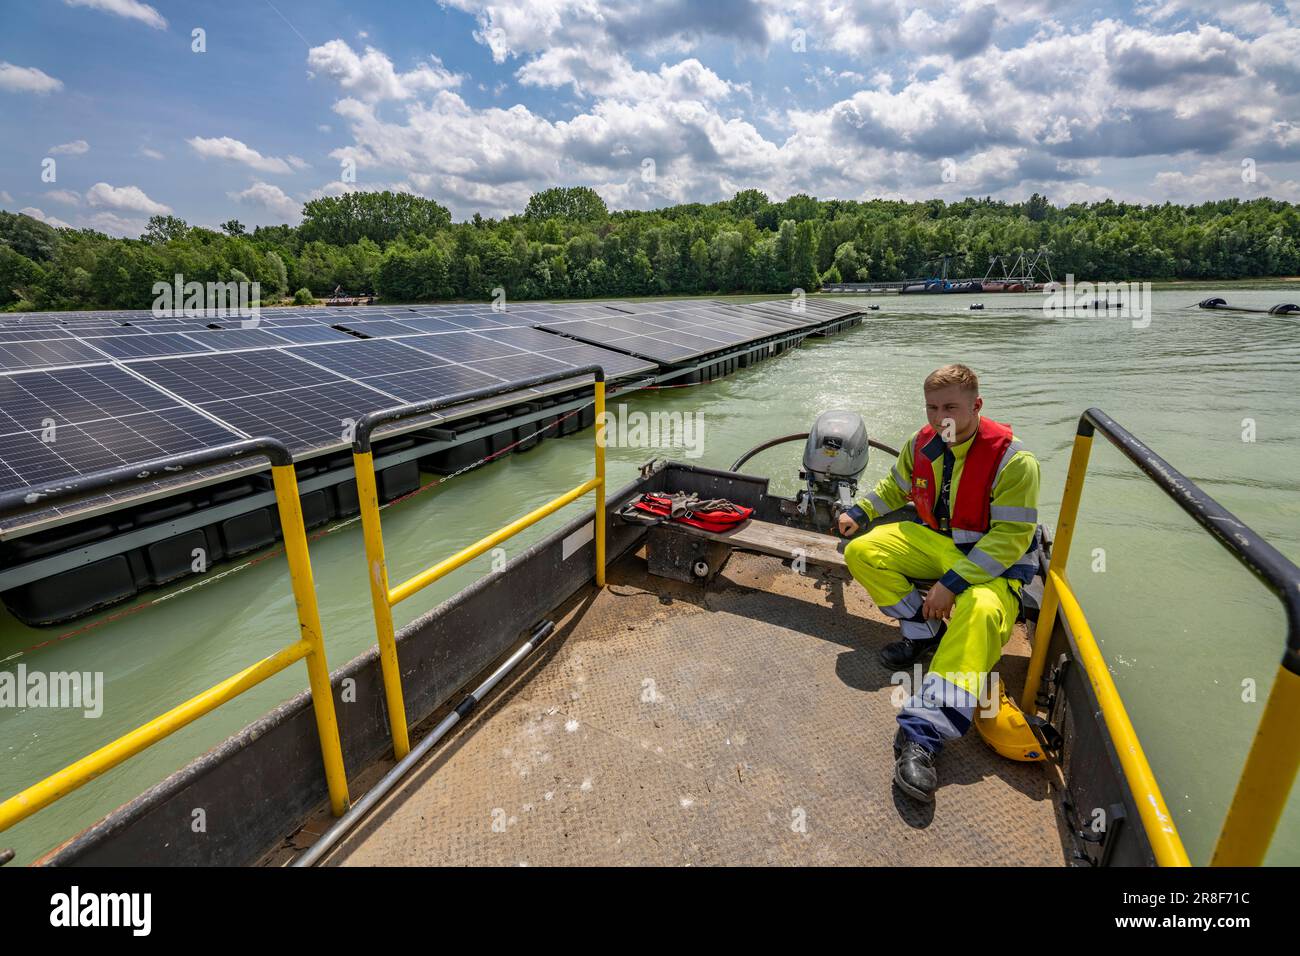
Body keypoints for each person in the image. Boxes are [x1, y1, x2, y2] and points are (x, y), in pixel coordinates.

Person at [836, 364, 1041, 803]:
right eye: (932, 407)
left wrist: (951, 583)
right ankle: (924, 633)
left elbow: (1010, 540)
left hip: (993, 562)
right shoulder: (921, 442)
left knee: (981, 610)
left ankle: (922, 734)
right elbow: (896, 488)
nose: (939, 417)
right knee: (863, 552)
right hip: (936, 543)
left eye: (950, 407)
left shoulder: (1014, 461)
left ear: (976, 406)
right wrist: (861, 513)